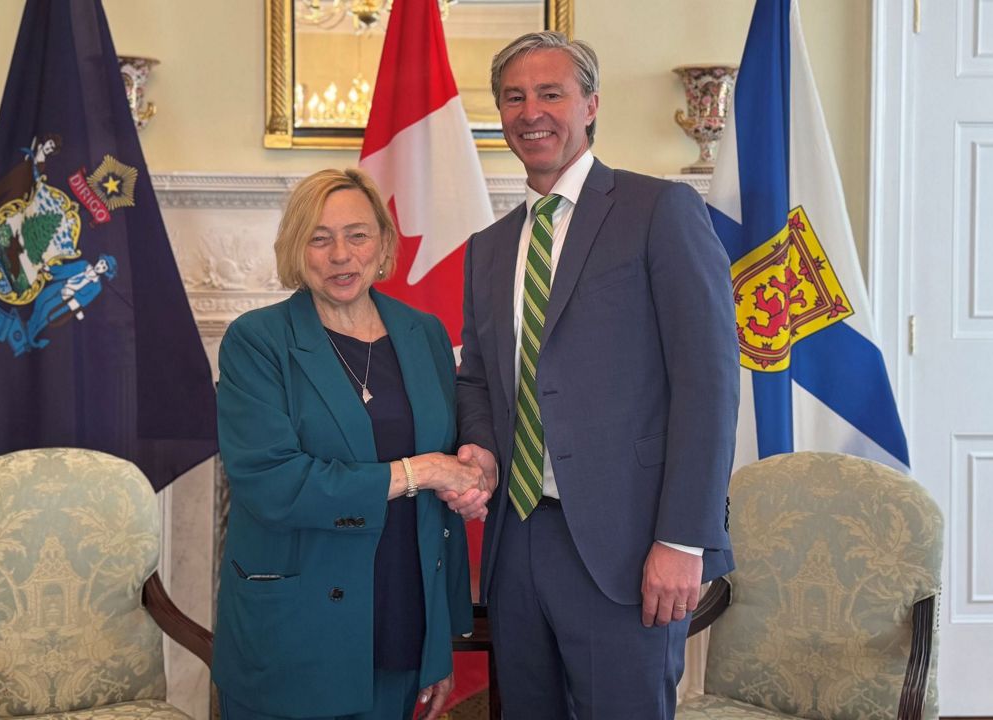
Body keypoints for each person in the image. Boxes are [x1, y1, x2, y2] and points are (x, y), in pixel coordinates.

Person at [450, 31, 740, 718]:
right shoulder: (488, 248)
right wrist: (480, 446)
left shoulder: (659, 211)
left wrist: (682, 538)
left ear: (590, 105)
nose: (531, 112)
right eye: (514, 98)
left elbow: (708, 385)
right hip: (518, 542)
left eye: (551, 93)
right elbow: (478, 379)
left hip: (629, 545)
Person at [213, 168, 487, 720]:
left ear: (383, 244)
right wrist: (422, 471)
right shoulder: (257, 341)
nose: (341, 254)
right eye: (320, 238)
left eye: (357, 235)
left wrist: (437, 643)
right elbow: (274, 484)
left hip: (402, 616)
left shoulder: (426, 333)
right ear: (296, 248)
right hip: (295, 629)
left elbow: (446, 494)